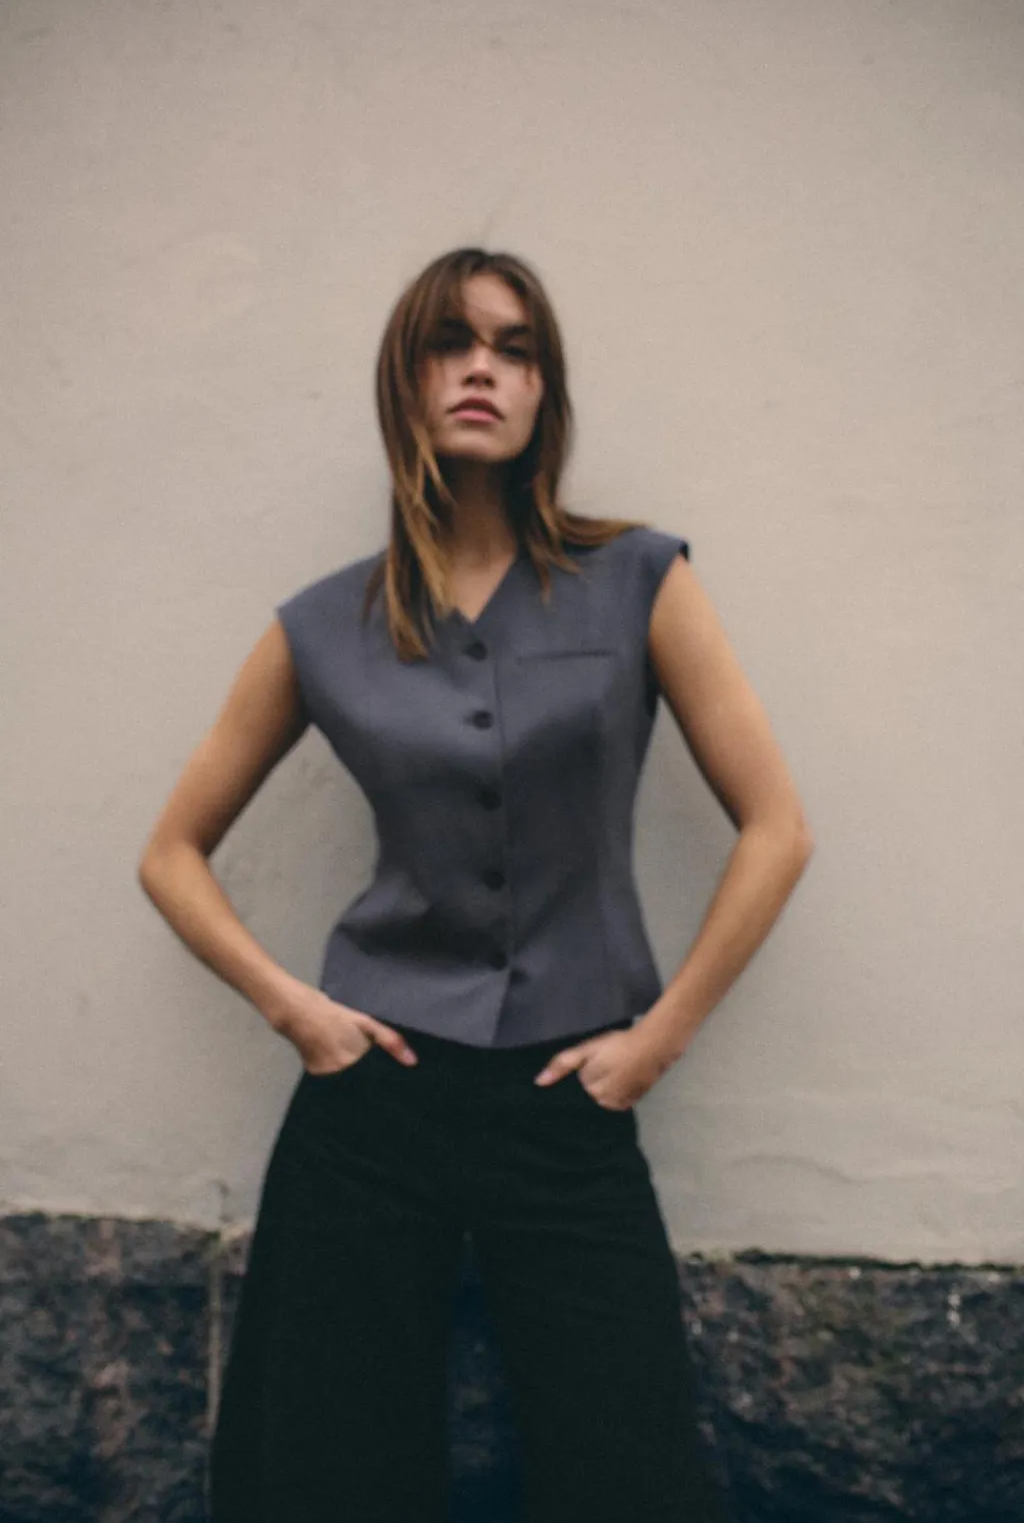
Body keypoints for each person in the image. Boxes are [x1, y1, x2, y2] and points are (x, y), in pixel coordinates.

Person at [138, 245, 814, 1523]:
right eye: (450, 343)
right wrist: (299, 1013)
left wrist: (654, 1043)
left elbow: (776, 828)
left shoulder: (640, 581)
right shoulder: (322, 623)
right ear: (404, 380)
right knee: (324, 1465)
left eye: (513, 348)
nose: (480, 370)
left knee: (623, 1463)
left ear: (544, 391)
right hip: (374, 1093)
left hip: (569, 1090)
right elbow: (170, 853)